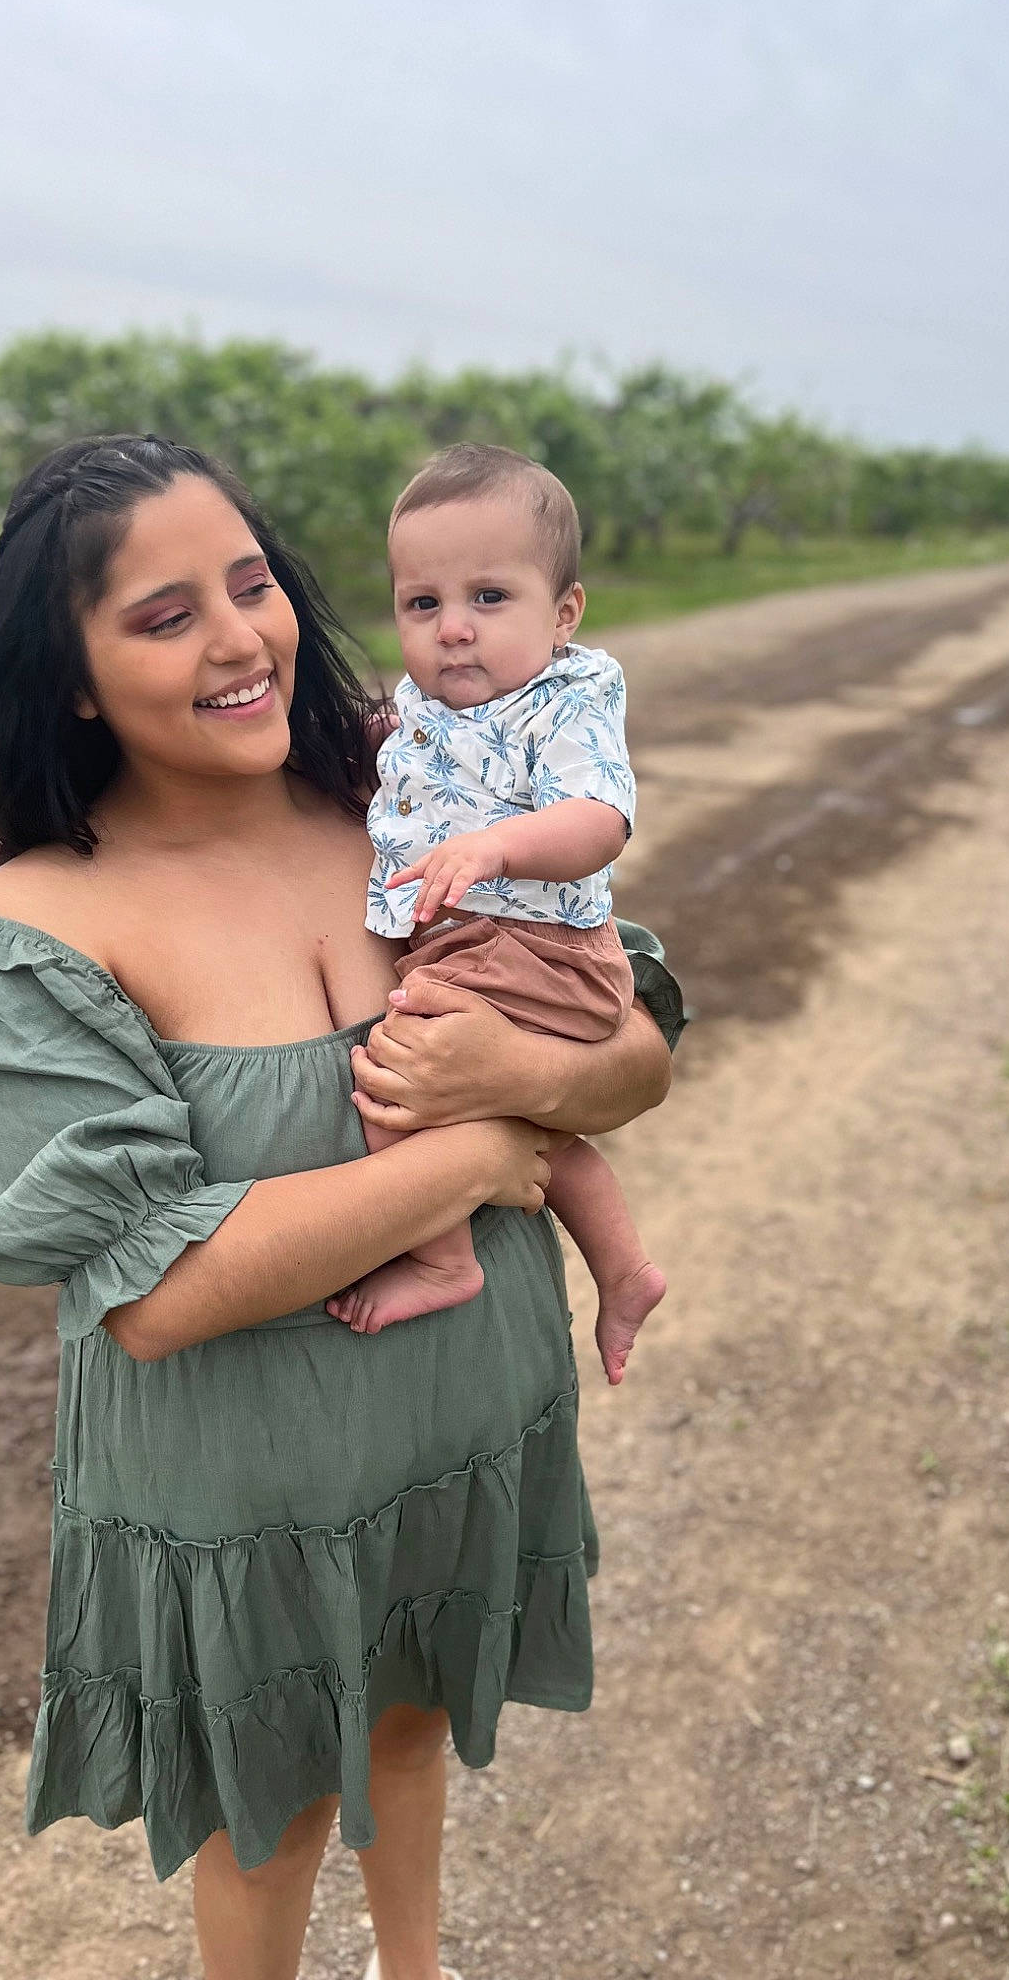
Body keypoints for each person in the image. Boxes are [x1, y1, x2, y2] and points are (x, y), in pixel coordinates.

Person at [0, 434, 684, 1980]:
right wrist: (475, 1154)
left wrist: (518, 1068)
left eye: (253, 583)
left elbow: (638, 1054)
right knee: (269, 1819)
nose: (240, 638)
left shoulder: (392, 788)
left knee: (407, 1737)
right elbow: (157, 1294)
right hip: (248, 1495)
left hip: (461, 1419)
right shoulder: (35, 931)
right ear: (67, 678)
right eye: (162, 615)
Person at [331, 444, 665, 1387]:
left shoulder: (563, 704)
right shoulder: (428, 708)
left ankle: (442, 1258)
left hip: (540, 945)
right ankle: (626, 1266)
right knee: (536, 1123)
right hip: (487, 939)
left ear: (564, 615)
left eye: (489, 598)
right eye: (422, 604)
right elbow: (406, 764)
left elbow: (600, 819)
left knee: (409, 1061)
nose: (453, 631)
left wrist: (496, 847)